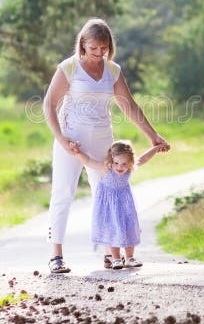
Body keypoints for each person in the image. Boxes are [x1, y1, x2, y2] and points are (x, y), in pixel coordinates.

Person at [43, 18, 169, 274]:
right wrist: (61, 138)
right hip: (71, 139)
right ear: (83, 44)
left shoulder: (112, 70)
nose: (99, 54)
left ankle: (110, 254)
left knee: (106, 193)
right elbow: (48, 105)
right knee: (63, 193)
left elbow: (129, 106)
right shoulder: (69, 68)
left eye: (104, 49)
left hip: (103, 139)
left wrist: (152, 135)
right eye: (94, 49)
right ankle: (56, 256)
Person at [74, 140, 166, 269]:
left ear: (130, 162)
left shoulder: (129, 169)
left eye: (124, 164)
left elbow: (144, 158)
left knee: (129, 228)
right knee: (113, 229)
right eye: (116, 163)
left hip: (125, 204)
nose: (119, 167)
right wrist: (77, 152)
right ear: (111, 160)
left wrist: (156, 149)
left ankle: (130, 258)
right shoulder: (105, 168)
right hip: (109, 206)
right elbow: (88, 161)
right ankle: (116, 259)